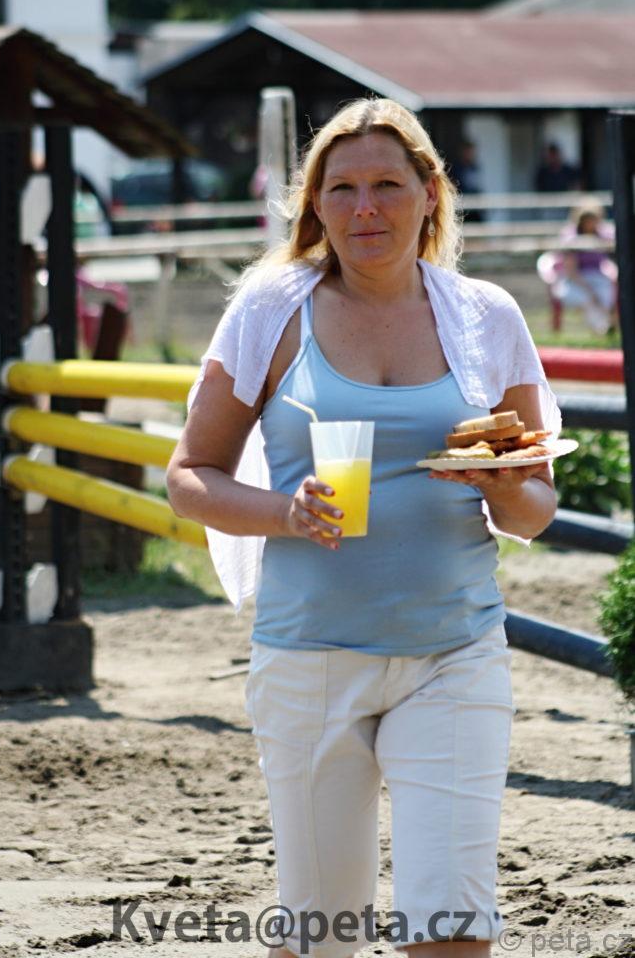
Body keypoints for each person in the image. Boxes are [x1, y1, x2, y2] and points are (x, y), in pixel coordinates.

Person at [166, 98, 561, 958]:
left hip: (454, 654)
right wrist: (284, 512)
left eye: (386, 185)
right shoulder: (270, 311)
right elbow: (189, 476)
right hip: (307, 659)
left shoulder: (486, 316)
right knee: (320, 933)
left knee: (451, 928)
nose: (364, 208)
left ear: (429, 194)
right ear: (314, 204)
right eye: (340, 188)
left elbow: (536, 505)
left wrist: (501, 487)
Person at [554, 198, 618, 336]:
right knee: (586, 299)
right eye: (587, 219)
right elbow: (571, 271)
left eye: (593, 219)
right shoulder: (570, 238)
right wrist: (590, 291)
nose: (590, 223)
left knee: (605, 296)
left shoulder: (605, 234)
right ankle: (602, 329)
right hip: (574, 280)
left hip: (598, 277)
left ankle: (603, 328)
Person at [449, 140, 482, 222]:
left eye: (472, 152)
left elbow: (476, 186)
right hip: (462, 206)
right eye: (468, 152)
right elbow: (452, 186)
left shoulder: (474, 167)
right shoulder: (456, 168)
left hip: (475, 206)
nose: (470, 154)